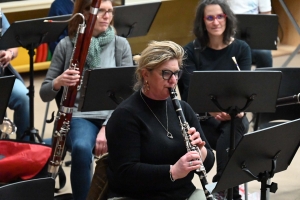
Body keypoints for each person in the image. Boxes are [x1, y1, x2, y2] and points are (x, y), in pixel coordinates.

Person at [39, 0, 133, 199]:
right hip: (80, 116)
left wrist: (107, 127)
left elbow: (129, 96)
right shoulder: (66, 45)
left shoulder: (120, 44)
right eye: (101, 12)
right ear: (84, 12)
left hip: (115, 116)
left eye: (110, 12)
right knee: (82, 148)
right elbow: (44, 93)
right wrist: (59, 81)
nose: (107, 16)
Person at [105, 40, 215, 200]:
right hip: (137, 195)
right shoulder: (125, 115)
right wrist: (172, 171)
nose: (173, 81)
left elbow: (209, 163)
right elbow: (125, 172)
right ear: (145, 74)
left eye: (176, 73)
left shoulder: (184, 109)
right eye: (166, 73)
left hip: (181, 192)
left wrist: (201, 151)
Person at [177, 0, 250, 199]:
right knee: (235, 133)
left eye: (220, 16)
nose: (215, 22)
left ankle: (222, 188)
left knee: (236, 126)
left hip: (232, 115)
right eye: (210, 17)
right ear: (203, 21)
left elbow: (246, 88)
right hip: (201, 119)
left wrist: (239, 109)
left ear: (227, 18)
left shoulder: (241, 49)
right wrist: (212, 111)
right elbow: (190, 92)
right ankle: (228, 189)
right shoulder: (190, 52)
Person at [0, 11, 30, 140]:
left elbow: (13, 44)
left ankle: (24, 144)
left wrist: (9, 53)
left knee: (24, 96)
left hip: (2, 76)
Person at [228, 0, 273, 68]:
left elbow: (266, 16)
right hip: (228, 34)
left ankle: (265, 78)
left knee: (264, 53)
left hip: (254, 36)